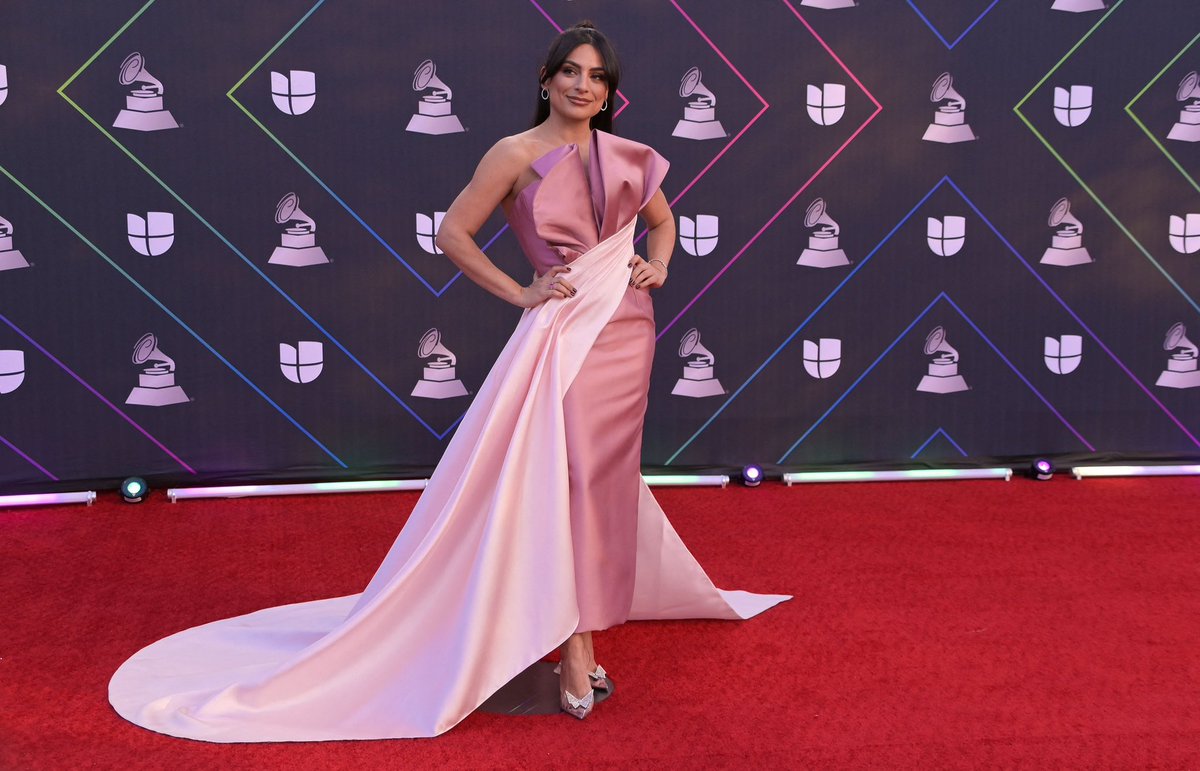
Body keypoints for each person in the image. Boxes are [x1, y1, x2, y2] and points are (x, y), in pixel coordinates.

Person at [108, 22, 787, 741]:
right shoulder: (514, 154)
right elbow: (453, 233)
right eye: (571, 72)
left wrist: (661, 263)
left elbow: (662, 222)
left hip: (629, 330)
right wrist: (520, 292)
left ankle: (577, 620)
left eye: (597, 77)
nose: (583, 86)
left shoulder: (626, 154)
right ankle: (574, 643)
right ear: (546, 78)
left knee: (602, 479)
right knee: (563, 476)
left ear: (609, 92)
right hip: (563, 331)